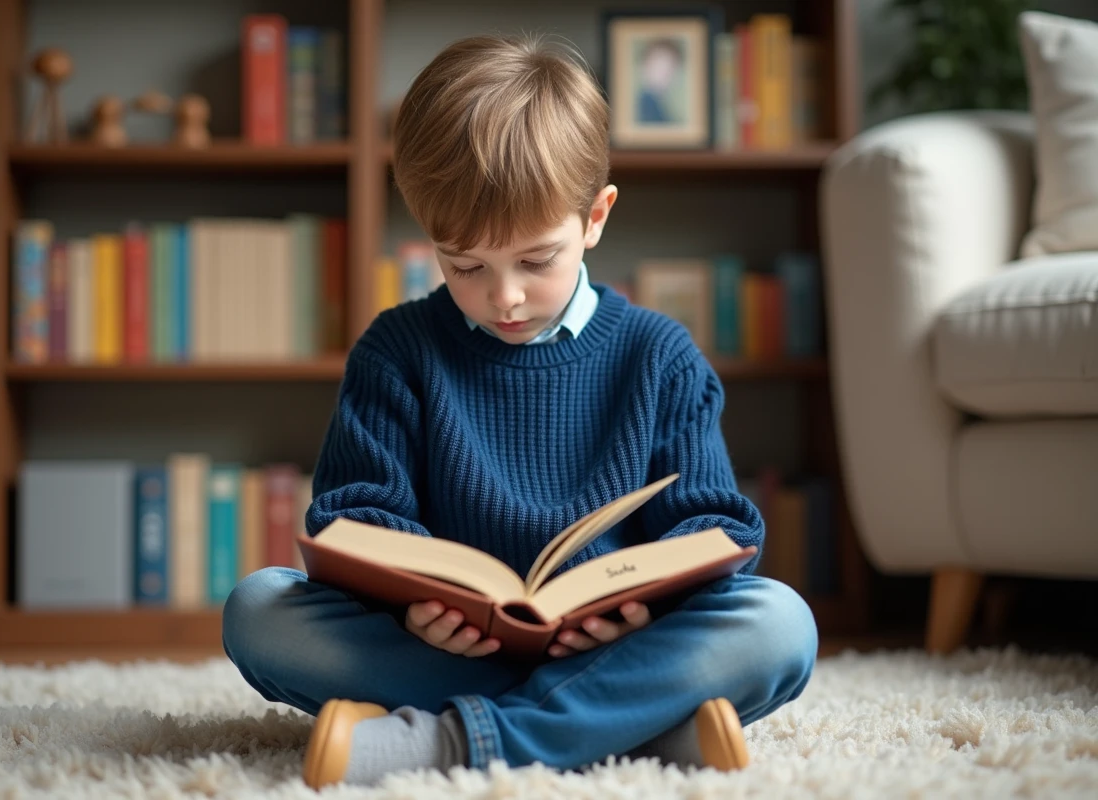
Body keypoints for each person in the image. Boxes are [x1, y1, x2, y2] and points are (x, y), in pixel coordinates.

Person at [221, 33, 817, 790]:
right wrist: (414, 606)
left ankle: (447, 743)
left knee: (779, 623)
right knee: (259, 609)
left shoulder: (658, 355)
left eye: (536, 261)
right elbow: (353, 515)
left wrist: (644, 605)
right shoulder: (396, 350)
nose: (504, 296)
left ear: (595, 217)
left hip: (614, 645)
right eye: (465, 265)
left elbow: (714, 525)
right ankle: (633, 723)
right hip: (443, 650)